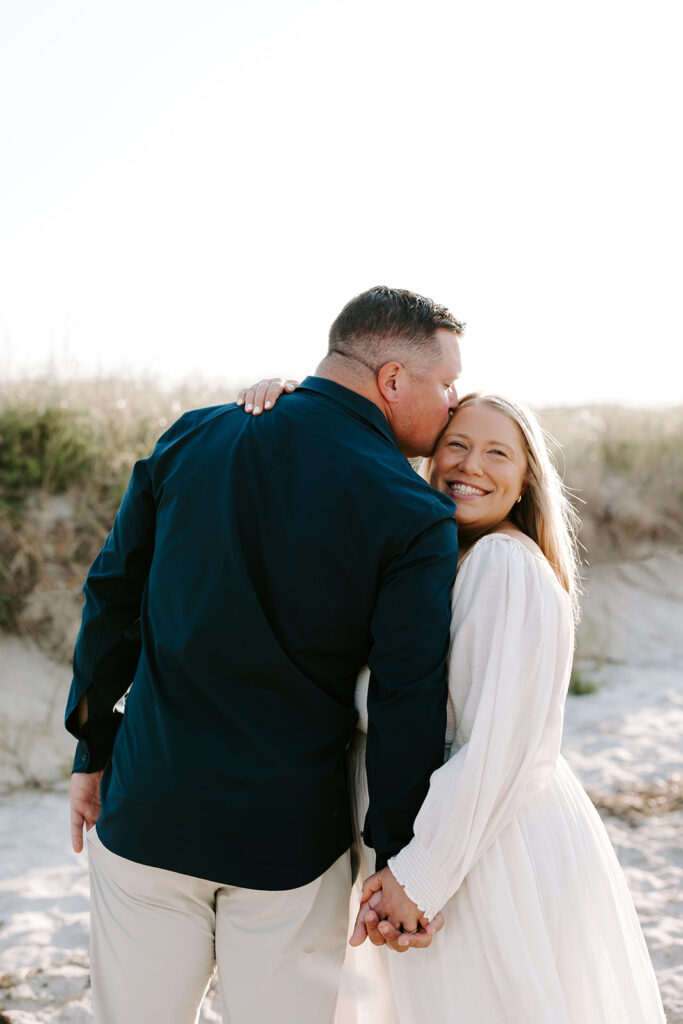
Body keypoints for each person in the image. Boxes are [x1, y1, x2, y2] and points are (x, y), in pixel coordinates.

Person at [65, 285, 464, 1024]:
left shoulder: (192, 435)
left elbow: (111, 599)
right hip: (287, 844)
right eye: (446, 384)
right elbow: (405, 698)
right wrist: (394, 857)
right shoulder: (413, 513)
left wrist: (91, 750)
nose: (451, 403)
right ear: (392, 380)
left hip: (149, 807)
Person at [240, 383, 666, 1022]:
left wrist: (422, 875)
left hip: (480, 843)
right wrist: (297, 397)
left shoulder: (503, 565)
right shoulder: (432, 560)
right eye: (456, 445)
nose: (471, 466)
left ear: (525, 483)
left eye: (499, 454)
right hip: (438, 829)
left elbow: (495, 745)